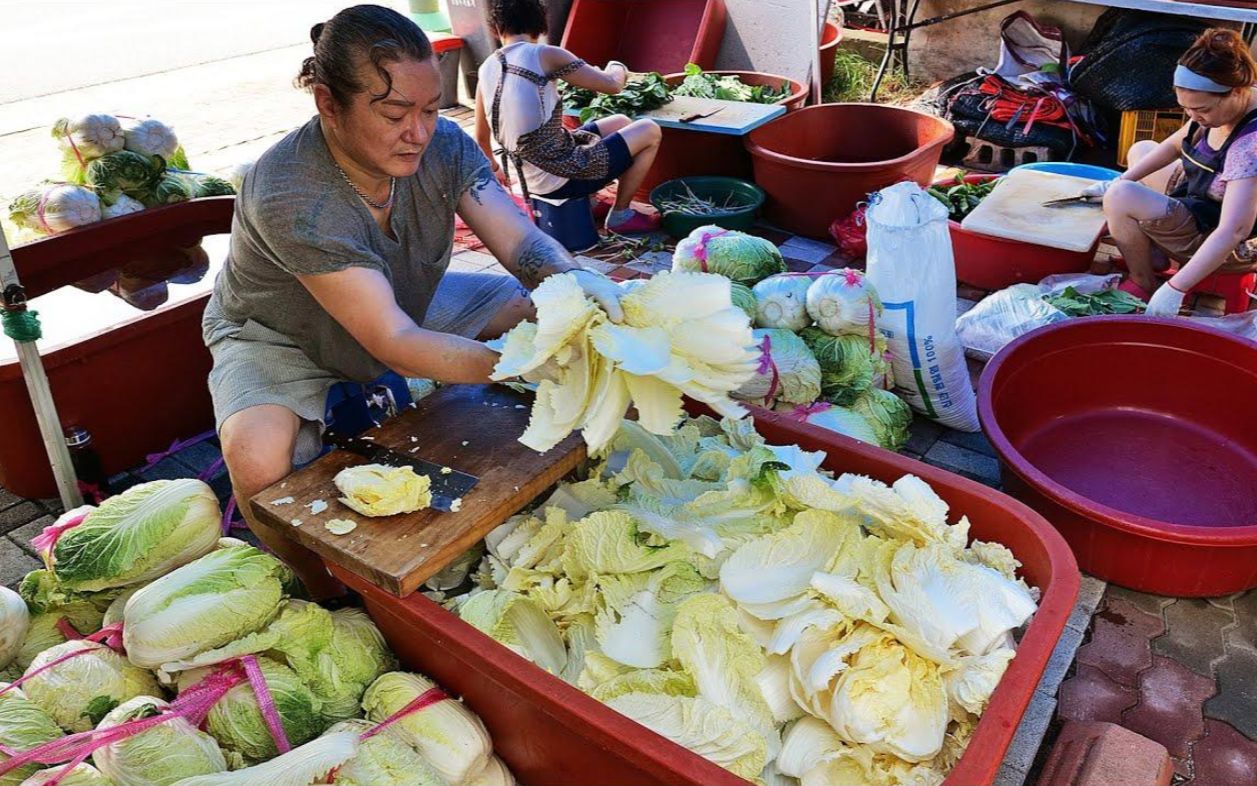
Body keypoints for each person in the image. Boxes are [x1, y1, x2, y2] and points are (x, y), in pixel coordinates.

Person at [202, 4, 623, 599]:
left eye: (429, 109)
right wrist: (533, 363)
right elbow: (393, 344)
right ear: (328, 104)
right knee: (256, 458)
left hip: (397, 300)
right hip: (279, 333)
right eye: (396, 112)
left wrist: (581, 292)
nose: (419, 132)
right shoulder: (290, 190)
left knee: (540, 308)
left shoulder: (443, 147)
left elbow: (521, 241)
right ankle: (321, 587)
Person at [1083, 28, 1257, 317]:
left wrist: (1176, 288)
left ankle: (1144, 281)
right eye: (1186, 109)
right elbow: (1174, 145)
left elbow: (1233, 230)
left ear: (1236, 92)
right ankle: (1154, 253)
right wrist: (1121, 178)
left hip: (1230, 243)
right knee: (1142, 150)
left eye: (1201, 109)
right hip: (1205, 202)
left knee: (1121, 198)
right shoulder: (1230, 102)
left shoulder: (1249, 146)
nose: (1193, 117)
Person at [473, 0, 663, 234]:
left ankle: (590, 202)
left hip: (527, 179)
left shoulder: (487, 67)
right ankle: (620, 215)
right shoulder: (545, 54)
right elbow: (612, 85)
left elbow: (481, 139)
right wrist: (618, 66)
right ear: (541, 27)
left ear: (495, 28)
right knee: (649, 130)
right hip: (561, 180)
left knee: (621, 123)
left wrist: (495, 168)